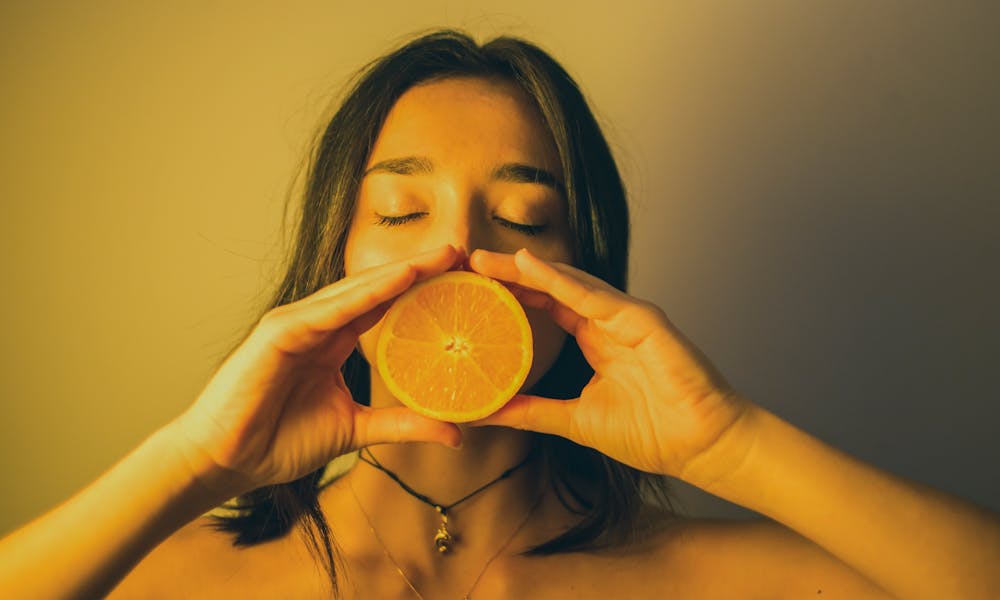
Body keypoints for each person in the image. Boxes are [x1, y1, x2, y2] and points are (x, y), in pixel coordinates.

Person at [1, 29, 998, 600]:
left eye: (523, 216)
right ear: (334, 258)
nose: (455, 252)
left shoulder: (698, 575)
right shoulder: (180, 576)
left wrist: (733, 446)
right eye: (400, 210)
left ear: (582, 283)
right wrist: (194, 462)